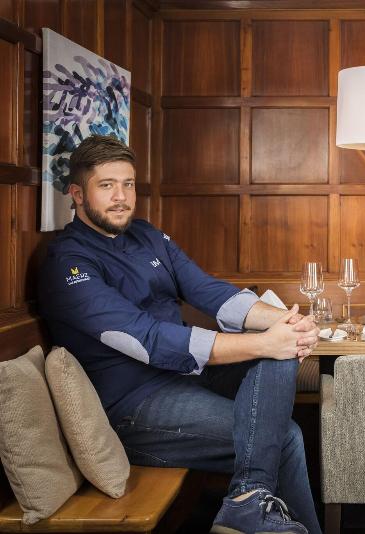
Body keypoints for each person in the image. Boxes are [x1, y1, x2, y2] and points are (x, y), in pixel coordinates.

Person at [38, 135, 322, 534]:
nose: (121, 197)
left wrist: (289, 323)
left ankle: (248, 496)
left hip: (183, 377)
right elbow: (146, 339)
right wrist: (263, 341)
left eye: (128, 184)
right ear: (78, 194)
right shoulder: (67, 262)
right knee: (286, 435)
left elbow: (209, 291)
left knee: (283, 352)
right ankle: (250, 500)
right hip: (133, 406)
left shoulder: (146, 235)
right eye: (106, 186)